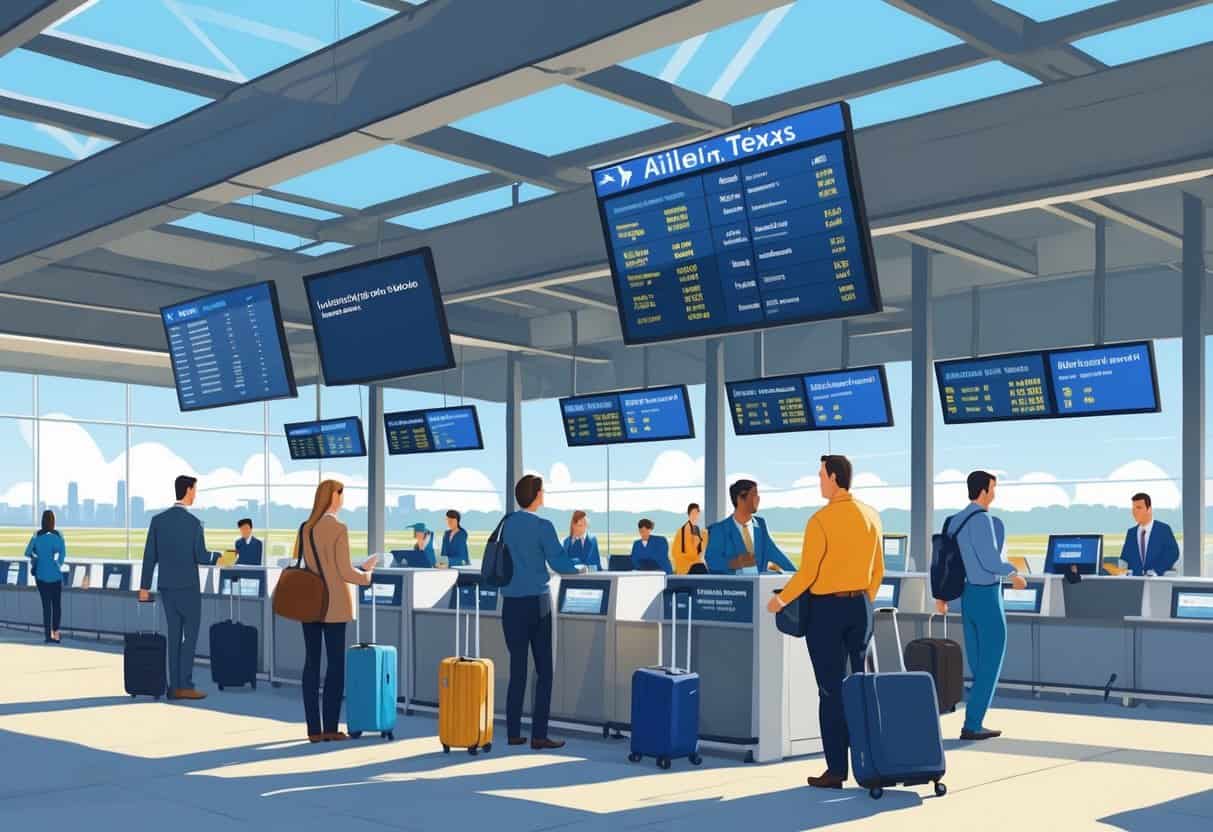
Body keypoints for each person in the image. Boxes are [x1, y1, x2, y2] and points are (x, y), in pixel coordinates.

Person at [766, 455, 883, 790]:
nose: (819, 480)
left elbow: (807, 573)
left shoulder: (821, 520)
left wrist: (780, 600)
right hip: (860, 607)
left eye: (820, 475)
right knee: (858, 686)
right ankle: (868, 763)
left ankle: (836, 770)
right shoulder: (871, 515)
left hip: (827, 612)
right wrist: (863, 599)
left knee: (831, 691)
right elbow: (878, 572)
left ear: (834, 477)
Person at [934, 470, 1026, 742]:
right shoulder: (983, 520)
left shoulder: (955, 520)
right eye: (993, 488)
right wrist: (1013, 573)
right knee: (991, 660)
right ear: (985, 491)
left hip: (966, 596)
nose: (995, 493)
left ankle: (974, 715)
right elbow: (989, 560)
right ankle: (973, 723)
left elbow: (943, 561)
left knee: (976, 658)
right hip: (987, 595)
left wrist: (941, 597)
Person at [500, 474, 583, 750]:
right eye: (542, 491)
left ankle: (513, 732)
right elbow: (560, 562)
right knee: (544, 670)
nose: (544, 494)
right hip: (537, 603)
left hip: (510, 604)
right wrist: (581, 569)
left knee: (517, 669)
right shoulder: (543, 526)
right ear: (536, 495)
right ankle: (538, 735)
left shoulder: (507, 523)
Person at [297, 479, 377, 742]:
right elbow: (343, 572)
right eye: (341, 495)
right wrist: (366, 574)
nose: (343, 500)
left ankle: (313, 730)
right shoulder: (339, 528)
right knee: (334, 666)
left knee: (311, 664)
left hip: (309, 602)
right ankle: (330, 727)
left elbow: (310, 563)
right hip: (333, 605)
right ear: (333, 497)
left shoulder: (305, 528)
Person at [139, 475, 213, 701]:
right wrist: (219, 557)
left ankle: (173, 686)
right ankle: (185, 685)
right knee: (189, 638)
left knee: (173, 636)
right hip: (188, 588)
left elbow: (149, 556)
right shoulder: (194, 524)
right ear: (188, 490)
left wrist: (144, 587)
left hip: (167, 588)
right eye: (195, 490)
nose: (195, 494)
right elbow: (201, 556)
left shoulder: (158, 521)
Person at [705, 480, 795, 574]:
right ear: (740, 498)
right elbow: (712, 561)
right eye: (754, 495)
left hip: (760, 585)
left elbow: (776, 555)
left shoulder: (760, 525)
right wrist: (735, 563)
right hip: (733, 587)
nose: (758, 498)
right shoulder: (719, 529)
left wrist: (797, 575)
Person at [25, 510, 66, 643]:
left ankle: (47, 636)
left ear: (42, 520)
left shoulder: (37, 535)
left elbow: (27, 552)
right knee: (57, 606)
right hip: (55, 575)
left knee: (46, 607)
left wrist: (36, 558)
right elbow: (62, 555)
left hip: (41, 576)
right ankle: (56, 634)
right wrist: (57, 564)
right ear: (53, 521)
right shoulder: (58, 535)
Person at [1119, 492, 1179, 576]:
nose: (1135, 512)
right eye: (1133, 508)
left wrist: (1156, 571)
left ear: (1149, 509)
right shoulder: (1131, 533)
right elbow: (1124, 557)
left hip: (1156, 580)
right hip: (1134, 581)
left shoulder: (1163, 529)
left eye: (1139, 508)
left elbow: (1173, 553)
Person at [671, 502, 709, 575]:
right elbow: (692, 553)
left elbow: (698, 552)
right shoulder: (684, 530)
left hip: (692, 564)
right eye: (692, 514)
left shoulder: (695, 529)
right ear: (688, 515)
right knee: (703, 568)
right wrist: (704, 538)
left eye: (696, 513)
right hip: (687, 567)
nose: (695, 516)